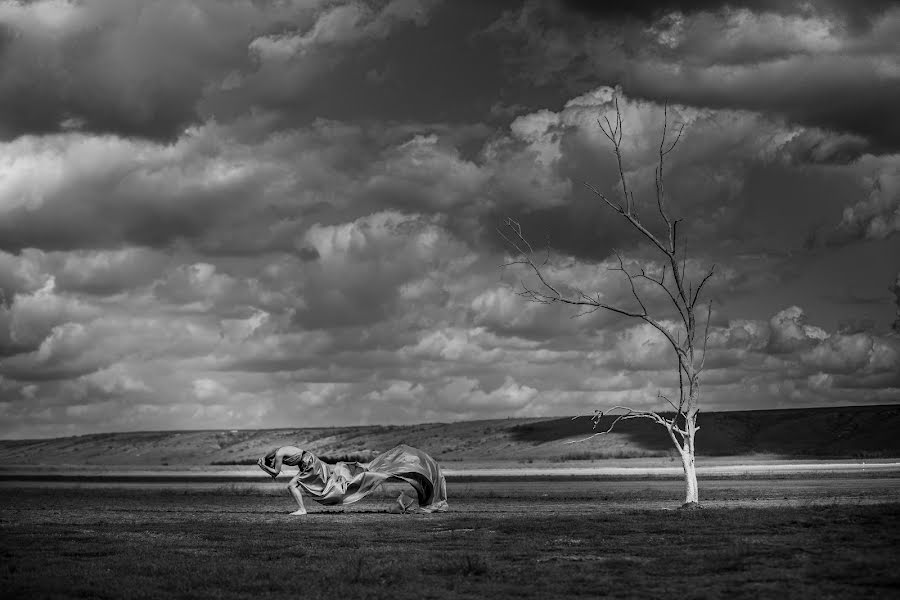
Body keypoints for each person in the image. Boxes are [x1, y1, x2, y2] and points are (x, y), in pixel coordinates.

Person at [257, 444, 449, 515]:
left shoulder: (279, 454)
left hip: (309, 463)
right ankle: (302, 509)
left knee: (291, 485)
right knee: (295, 485)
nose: (275, 462)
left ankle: (302, 509)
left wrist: (262, 466)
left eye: (272, 461)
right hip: (311, 461)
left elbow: (275, 473)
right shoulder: (279, 450)